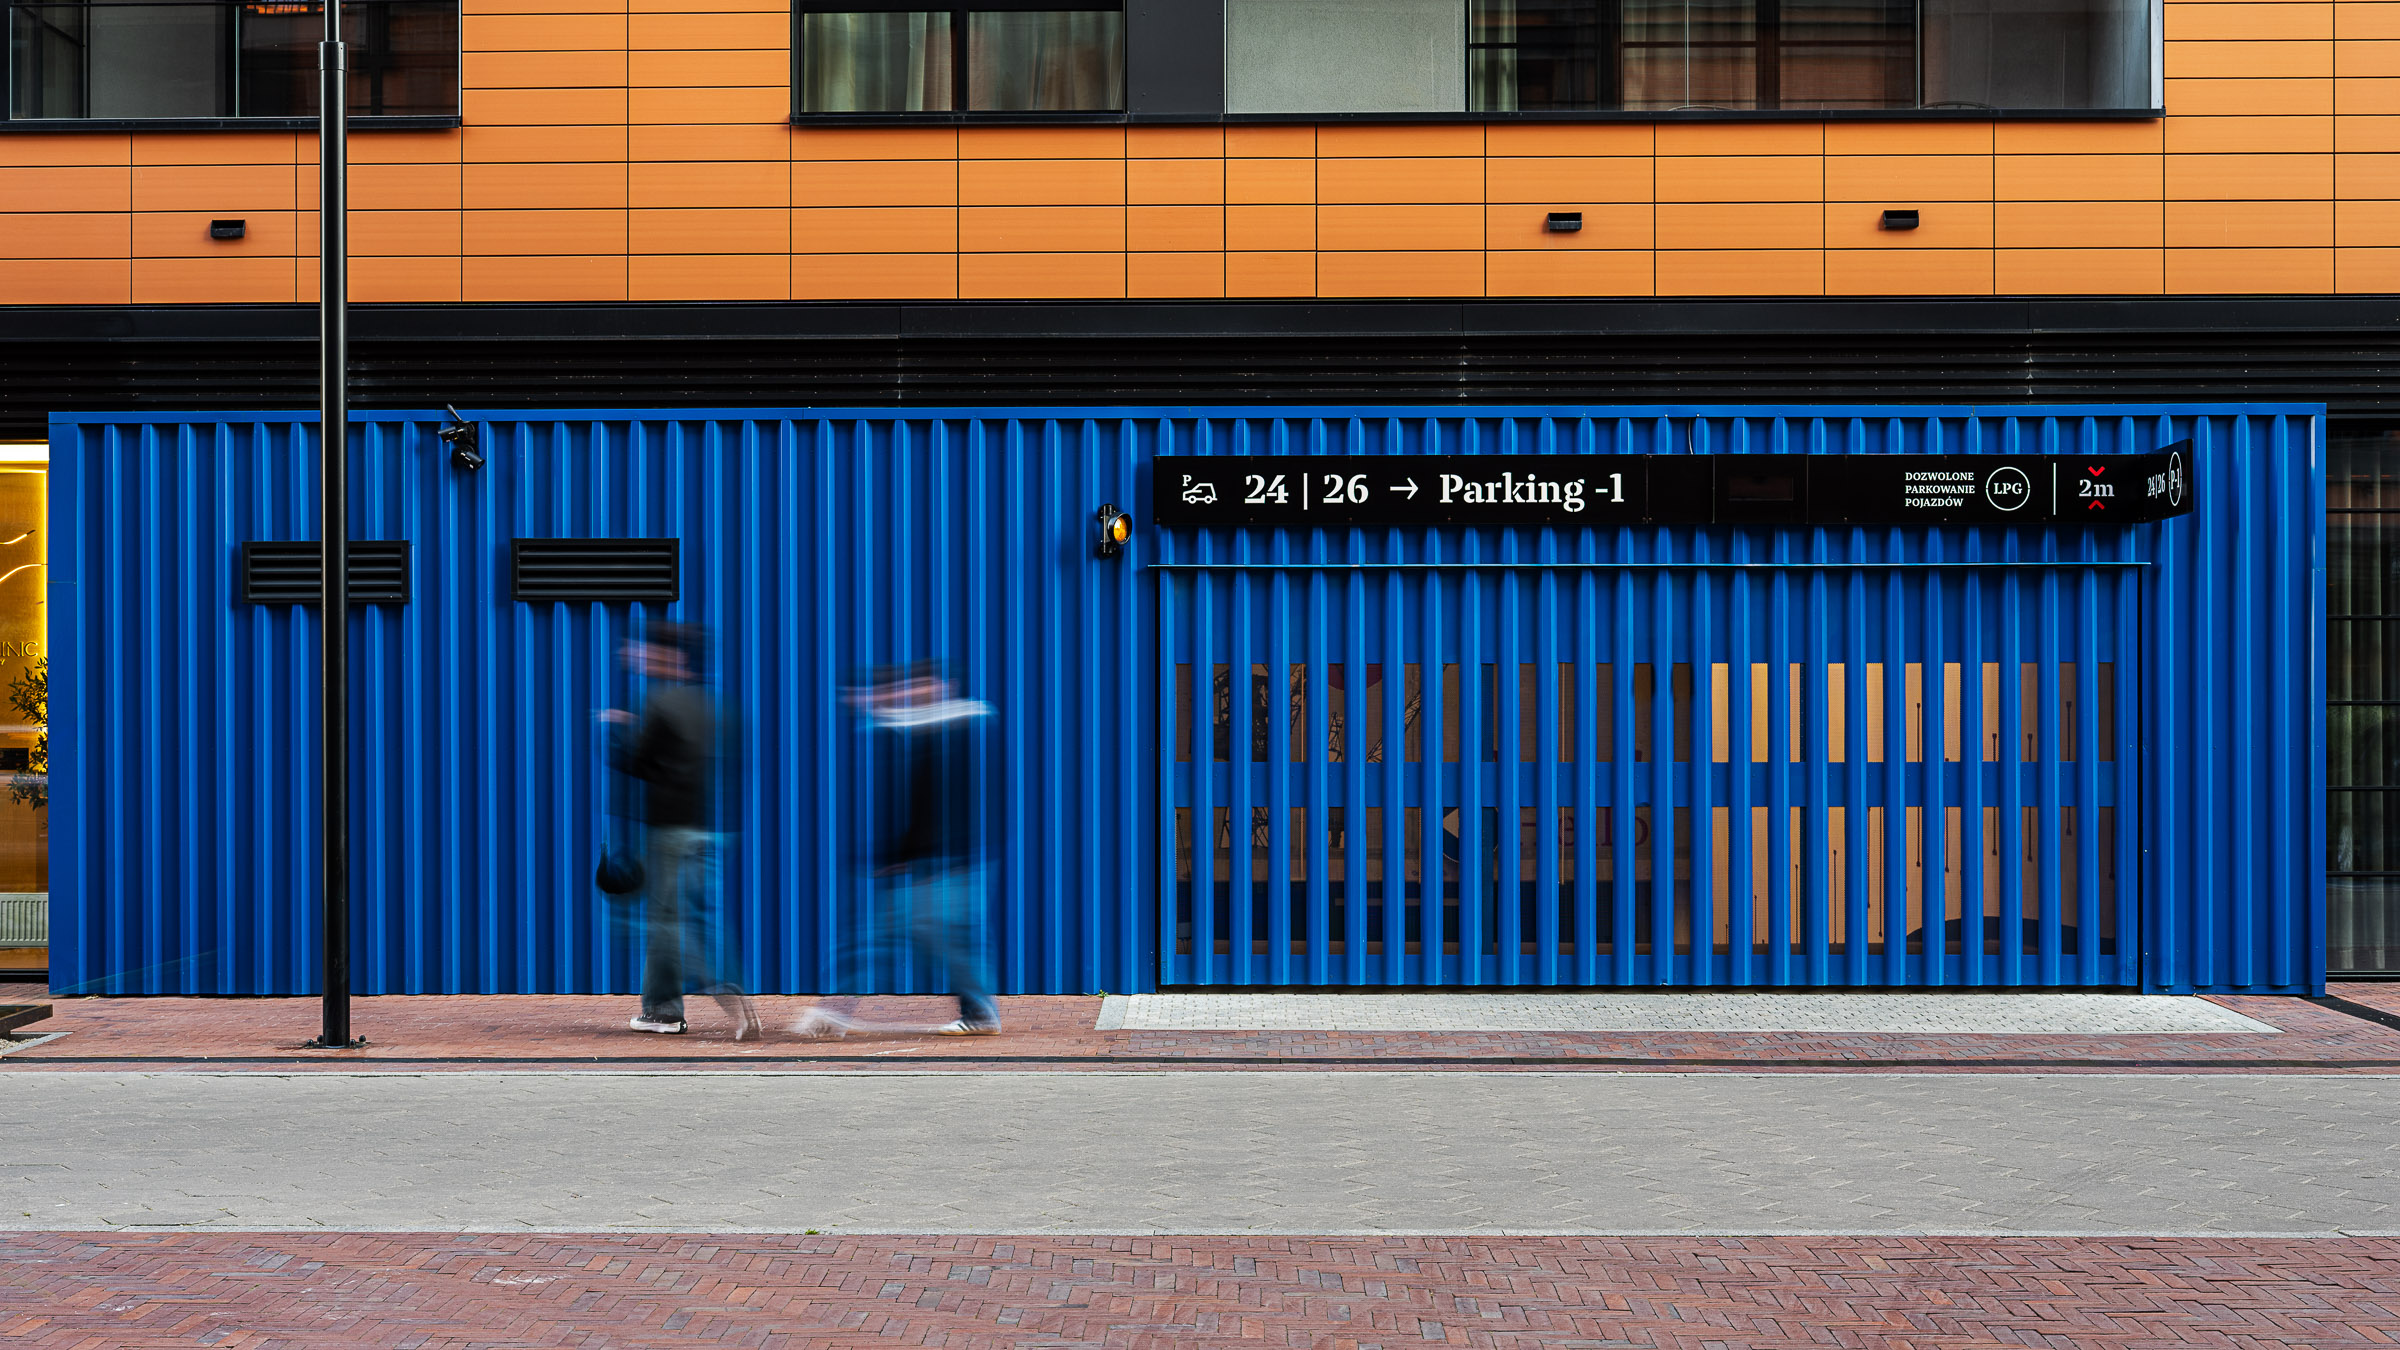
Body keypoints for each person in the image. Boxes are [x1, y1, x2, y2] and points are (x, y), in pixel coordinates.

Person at [798, 662, 1000, 1037]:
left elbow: (932, 806)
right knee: (943, 942)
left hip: (940, 864)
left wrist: (901, 855)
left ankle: (837, 1012)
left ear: (939, 685)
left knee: (876, 937)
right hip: (942, 862)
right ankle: (980, 1012)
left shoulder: (947, 729)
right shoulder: (944, 727)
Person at [601, 623, 760, 1040]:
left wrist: (618, 729)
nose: (639, 656)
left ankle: (666, 1011)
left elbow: (637, 763)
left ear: (672, 657)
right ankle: (721, 993)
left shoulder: (659, 701)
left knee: (666, 923)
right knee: (703, 917)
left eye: (647, 650)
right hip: (711, 830)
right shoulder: (718, 706)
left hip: (670, 831)